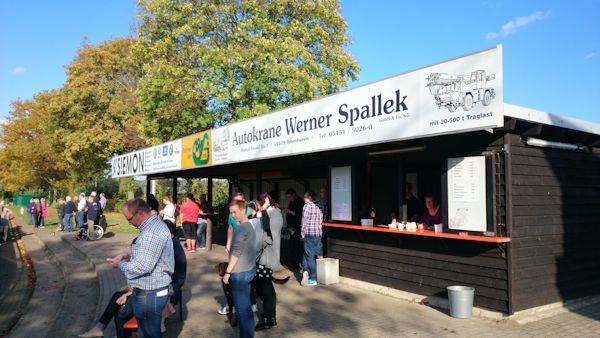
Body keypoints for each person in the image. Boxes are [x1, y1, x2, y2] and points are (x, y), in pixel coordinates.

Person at [108, 198, 174, 338]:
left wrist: (118, 264)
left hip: (149, 294)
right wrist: (129, 256)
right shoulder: (154, 226)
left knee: (149, 333)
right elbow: (150, 258)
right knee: (147, 331)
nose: (129, 223)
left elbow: (142, 266)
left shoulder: (150, 233)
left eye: (130, 219)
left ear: (140, 213)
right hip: (150, 292)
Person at [223, 199, 256, 338]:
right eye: (231, 213)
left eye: (235, 212)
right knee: (246, 308)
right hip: (248, 270)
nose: (233, 215)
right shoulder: (249, 226)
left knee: (242, 309)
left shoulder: (242, 228)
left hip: (239, 273)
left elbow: (236, 252)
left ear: (244, 211)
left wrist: (227, 272)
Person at [253, 193, 283, 331]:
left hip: (268, 257)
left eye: (258, 205)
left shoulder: (274, 214)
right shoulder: (270, 213)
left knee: (265, 289)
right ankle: (271, 318)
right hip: (264, 256)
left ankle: (267, 319)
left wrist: (263, 210)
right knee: (266, 287)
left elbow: (268, 232)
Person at [300, 191, 323, 287]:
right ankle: (305, 271)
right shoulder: (319, 206)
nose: (304, 199)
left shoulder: (306, 206)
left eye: (305, 197)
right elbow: (322, 218)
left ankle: (313, 278)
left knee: (310, 256)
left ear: (309, 197)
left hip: (309, 233)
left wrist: (302, 232)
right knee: (307, 253)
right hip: (318, 233)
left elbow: (304, 220)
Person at [283, 188, 304, 269]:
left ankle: (295, 264)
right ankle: (292, 262)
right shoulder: (292, 201)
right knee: (292, 245)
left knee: (294, 245)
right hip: (291, 226)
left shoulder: (299, 202)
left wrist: (289, 211)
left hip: (296, 226)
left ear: (293, 195)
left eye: (289, 197)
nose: (288, 199)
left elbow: (298, 215)